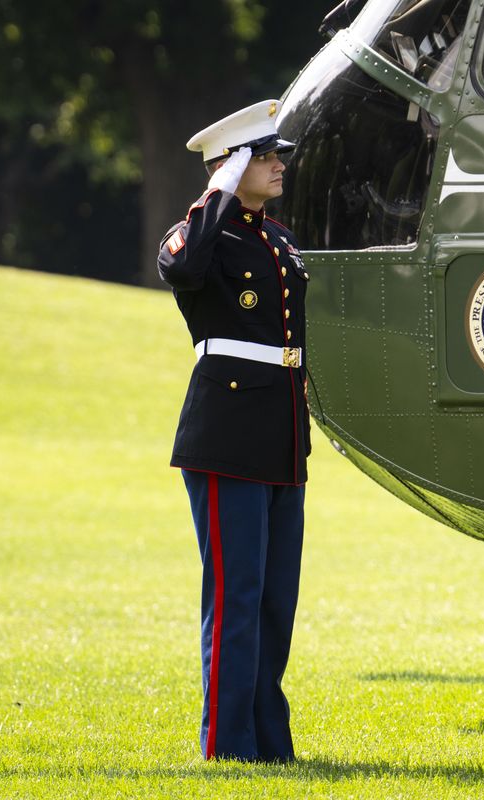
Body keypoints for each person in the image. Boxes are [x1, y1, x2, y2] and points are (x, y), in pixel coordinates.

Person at [158, 99, 311, 761]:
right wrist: (215, 190)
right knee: (236, 594)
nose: (279, 165)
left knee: (276, 599)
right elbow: (184, 270)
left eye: (277, 154)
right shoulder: (200, 236)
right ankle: (227, 744)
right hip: (227, 434)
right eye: (265, 155)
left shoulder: (275, 240)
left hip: (279, 434)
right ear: (233, 164)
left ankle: (270, 742)